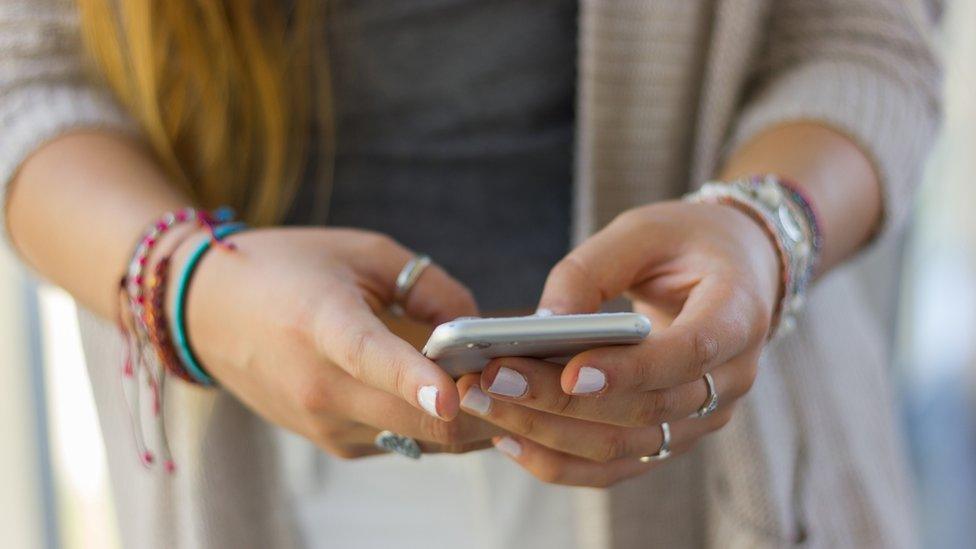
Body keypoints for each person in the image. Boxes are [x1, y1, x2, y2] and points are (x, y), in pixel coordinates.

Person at [0, 0, 941, 547]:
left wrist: (763, 230)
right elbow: (25, 75)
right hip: (259, 465)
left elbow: (868, 39)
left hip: (718, 470)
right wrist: (197, 292)